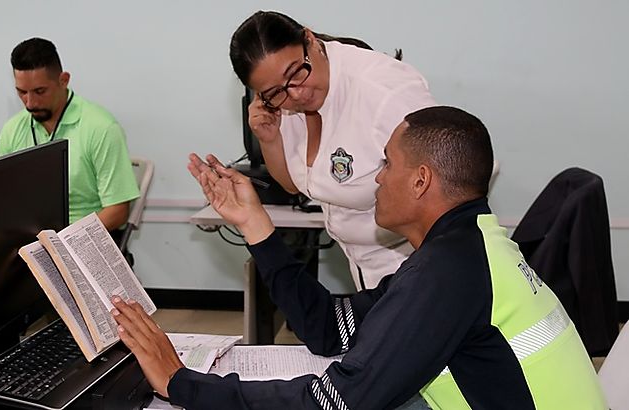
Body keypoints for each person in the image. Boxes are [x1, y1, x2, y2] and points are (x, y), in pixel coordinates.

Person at [110, 106, 606, 409]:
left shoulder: (448, 274)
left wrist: (184, 385)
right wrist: (256, 227)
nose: (377, 176)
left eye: (388, 162)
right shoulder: (463, 247)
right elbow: (331, 326)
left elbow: (338, 402)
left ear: (421, 181)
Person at [228, 11, 437, 290]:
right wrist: (269, 140)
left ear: (310, 40)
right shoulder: (283, 104)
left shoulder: (384, 91)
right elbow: (293, 185)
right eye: (275, 92)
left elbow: (443, 190)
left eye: (296, 73)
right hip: (364, 266)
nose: (296, 94)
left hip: (417, 261)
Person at [0, 37, 138, 231]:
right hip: (28, 239)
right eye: (22, 92)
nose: (30, 103)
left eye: (40, 91)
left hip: (85, 238)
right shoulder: (12, 129)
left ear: (64, 80)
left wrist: (66, 242)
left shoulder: (101, 127)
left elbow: (118, 210)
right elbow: (2, 199)